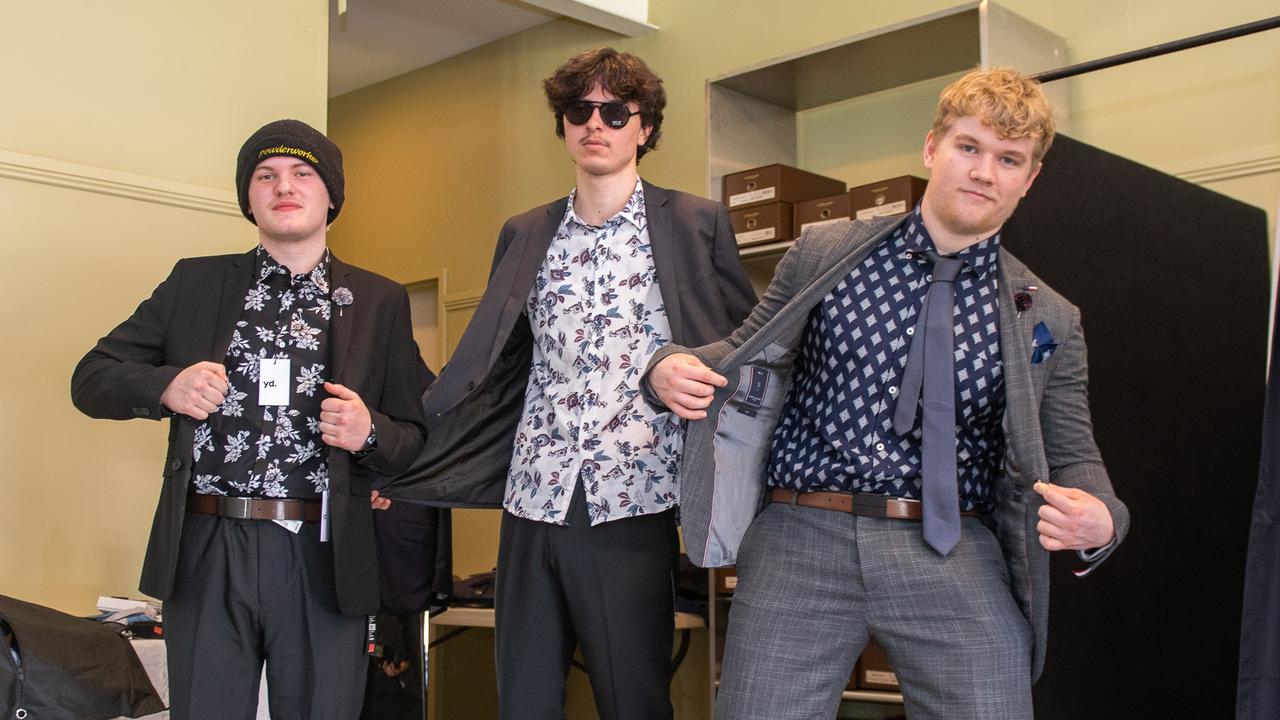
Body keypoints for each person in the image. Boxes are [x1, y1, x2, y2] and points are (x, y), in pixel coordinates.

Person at [645, 68, 1130, 719]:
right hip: (800, 536)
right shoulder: (825, 252)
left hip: (953, 546)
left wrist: (1103, 518)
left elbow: (1075, 454)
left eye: (1008, 159)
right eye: (969, 148)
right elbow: (739, 352)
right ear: (933, 148)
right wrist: (666, 366)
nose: (985, 172)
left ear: (1029, 177)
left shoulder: (1050, 319)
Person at [385, 48, 755, 719]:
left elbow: (743, 346)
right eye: (578, 110)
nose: (596, 123)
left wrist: (677, 362)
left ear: (644, 128)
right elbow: (496, 358)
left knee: (632, 699)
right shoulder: (525, 232)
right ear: (562, 125)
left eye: (616, 111)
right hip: (531, 495)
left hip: (633, 497)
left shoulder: (694, 223)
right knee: (524, 697)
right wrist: (404, 453)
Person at [71, 119, 428, 720]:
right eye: (265, 176)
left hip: (325, 553)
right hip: (208, 545)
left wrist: (371, 434)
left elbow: (420, 439)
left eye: (302, 174)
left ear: (331, 194)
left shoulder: (379, 301)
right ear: (249, 197)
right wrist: (166, 386)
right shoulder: (196, 283)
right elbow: (92, 378)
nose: (283, 186)